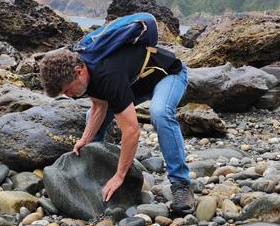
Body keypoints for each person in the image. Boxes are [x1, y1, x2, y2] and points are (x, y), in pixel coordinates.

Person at [38, 41, 194, 216]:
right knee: (91, 117)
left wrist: (120, 175)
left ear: (79, 71)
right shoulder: (87, 68)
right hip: (135, 84)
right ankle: (94, 170)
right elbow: (99, 106)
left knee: (160, 113)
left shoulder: (107, 74)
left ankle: (181, 184)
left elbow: (132, 131)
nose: (68, 96)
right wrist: (85, 139)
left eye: (67, 90)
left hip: (168, 75)